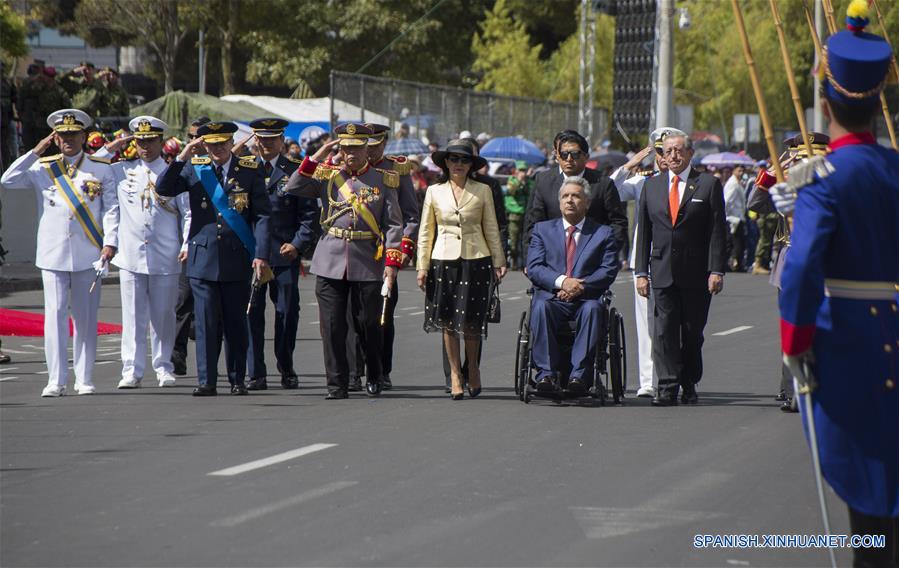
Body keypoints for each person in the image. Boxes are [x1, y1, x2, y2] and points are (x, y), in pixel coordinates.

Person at [771, 6, 898, 562]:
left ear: (827, 104)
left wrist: (794, 345)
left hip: (849, 348)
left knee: (867, 499)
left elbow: (799, 271)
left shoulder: (822, 179)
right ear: (877, 101)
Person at [0, 109, 119, 397]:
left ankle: (84, 378)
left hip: (88, 252)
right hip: (53, 253)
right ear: (55, 138)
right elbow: (8, 179)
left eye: (73, 135)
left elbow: (112, 208)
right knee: (54, 317)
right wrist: (35, 150)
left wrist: (110, 242)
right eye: (62, 135)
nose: (68, 140)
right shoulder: (43, 167)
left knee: (85, 318)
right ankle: (56, 379)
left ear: (83, 136)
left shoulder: (101, 168)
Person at [284, 123, 404, 399]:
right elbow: (293, 186)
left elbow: (394, 225)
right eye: (345, 148)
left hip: (368, 260)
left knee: (369, 324)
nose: (350, 153)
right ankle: (336, 383)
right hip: (330, 258)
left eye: (356, 148)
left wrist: (391, 263)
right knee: (332, 325)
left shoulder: (383, 180)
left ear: (366, 149)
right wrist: (317, 155)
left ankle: (374, 373)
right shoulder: (328, 175)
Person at [156, 121, 271, 396]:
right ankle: (206, 380)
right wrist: (183, 155)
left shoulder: (249, 171)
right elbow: (164, 188)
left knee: (235, 323)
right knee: (206, 323)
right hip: (203, 258)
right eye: (212, 144)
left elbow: (262, 215)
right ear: (203, 145)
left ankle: (236, 379)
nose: (218, 148)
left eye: (222, 143)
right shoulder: (196, 168)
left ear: (232, 142)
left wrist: (261, 254)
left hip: (237, 257)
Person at [635, 133, 727, 407]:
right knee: (663, 331)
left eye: (678, 151)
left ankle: (689, 382)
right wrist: (641, 272)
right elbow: (643, 232)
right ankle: (667, 386)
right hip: (662, 269)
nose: (672, 156)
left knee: (691, 332)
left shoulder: (707, 184)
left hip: (696, 273)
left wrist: (716, 270)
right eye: (667, 151)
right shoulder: (651, 186)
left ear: (689, 154)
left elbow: (717, 232)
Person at [416, 140, 507, 400]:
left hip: (475, 259)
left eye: (464, 160)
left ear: (471, 165)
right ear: (445, 162)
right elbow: (426, 232)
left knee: (471, 319)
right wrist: (422, 267)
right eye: (453, 159)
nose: (458, 164)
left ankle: (474, 368)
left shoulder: (483, 190)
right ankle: (455, 374)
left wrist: (499, 261)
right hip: (443, 260)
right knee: (447, 320)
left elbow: (491, 226)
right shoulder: (434, 191)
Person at [110, 116, 190, 389]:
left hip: (165, 254)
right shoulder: (122, 170)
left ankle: (163, 366)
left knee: (164, 316)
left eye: (150, 141)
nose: (145, 146)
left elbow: (187, 213)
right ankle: (131, 369)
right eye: (140, 141)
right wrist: (114, 145)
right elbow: (93, 165)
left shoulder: (174, 172)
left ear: (160, 142)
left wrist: (186, 243)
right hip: (131, 255)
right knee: (132, 316)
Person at [244, 118, 320, 391]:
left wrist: (298, 244)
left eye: (271, 139)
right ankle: (256, 372)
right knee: (251, 313)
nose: (265, 144)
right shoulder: (245, 169)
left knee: (287, 312)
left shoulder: (294, 171)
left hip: (284, 254)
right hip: (252, 254)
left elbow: (310, 215)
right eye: (261, 139)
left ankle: (286, 365)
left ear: (282, 140)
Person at [526, 177, 619, 394]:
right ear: (559, 203)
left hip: (586, 298)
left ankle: (580, 375)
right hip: (552, 297)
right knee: (540, 307)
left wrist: (580, 287)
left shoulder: (603, 233)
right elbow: (535, 267)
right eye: (565, 196)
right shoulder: (542, 230)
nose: (570, 200)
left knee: (593, 309)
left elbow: (608, 269)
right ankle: (545, 375)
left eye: (576, 196)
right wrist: (563, 282)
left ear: (587, 202)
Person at [609, 127, 683, 398]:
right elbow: (609, 191)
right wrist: (629, 166)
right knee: (647, 324)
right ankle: (649, 380)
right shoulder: (643, 183)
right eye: (660, 152)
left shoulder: (692, 182)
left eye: (671, 152)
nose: (665, 158)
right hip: (646, 262)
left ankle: (677, 377)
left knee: (678, 323)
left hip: (680, 261)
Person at [523, 130, 627, 251]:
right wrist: (530, 259)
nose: (569, 159)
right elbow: (532, 222)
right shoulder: (544, 181)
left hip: (592, 258)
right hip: (551, 257)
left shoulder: (603, 183)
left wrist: (607, 255)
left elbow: (617, 223)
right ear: (557, 156)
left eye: (575, 154)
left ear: (586, 157)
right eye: (564, 154)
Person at [170, 116, 211, 375]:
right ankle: (177, 354)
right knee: (183, 301)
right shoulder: (184, 167)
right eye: (190, 136)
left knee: (213, 304)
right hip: (189, 245)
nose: (194, 141)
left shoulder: (219, 166)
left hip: (214, 244)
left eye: (199, 137)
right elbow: (166, 190)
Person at [504, 161, 531, 270]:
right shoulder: (512, 180)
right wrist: (519, 181)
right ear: (516, 171)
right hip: (514, 215)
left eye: (524, 170)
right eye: (521, 170)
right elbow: (511, 191)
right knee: (514, 242)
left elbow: (531, 192)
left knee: (525, 241)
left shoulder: (528, 182)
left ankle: (524, 263)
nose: (523, 173)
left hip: (526, 215)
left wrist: (526, 182)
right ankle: (513, 261)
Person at [723, 164, 747, 272]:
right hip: (733, 218)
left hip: (738, 216)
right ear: (733, 171)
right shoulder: (733, 184)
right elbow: (727, 200)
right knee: (735, 243)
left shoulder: (737, 183)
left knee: (738, 243)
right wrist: (724, 215)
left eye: (742, 171)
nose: (741, 173)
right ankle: (731, 264)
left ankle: (737, 264)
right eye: (739, 171)